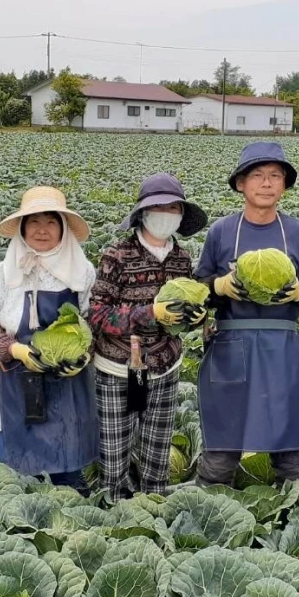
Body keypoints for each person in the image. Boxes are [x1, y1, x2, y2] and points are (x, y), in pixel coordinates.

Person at [195, 142, 299, 486]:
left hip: (283, 346)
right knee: (221, 449)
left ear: (284, 185)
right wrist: (218, 286)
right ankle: (207, 508)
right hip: (231, 344)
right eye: (257, 176)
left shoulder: (297, 232)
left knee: (293, 449)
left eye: (275, 176)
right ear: (241, 184)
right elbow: (198, 289)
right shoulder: (222, 230)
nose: (266, 183)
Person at [89, 174, 208, 501]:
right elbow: (97, 314)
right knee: (115, 459)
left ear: (181, 214)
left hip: (165, 368)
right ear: (142, 212)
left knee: (157, 459)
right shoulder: (117, 255)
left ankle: (153, 513)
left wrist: (196, 318)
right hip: (119, 370)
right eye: (158, 207)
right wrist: (150, 314)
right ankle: (115, 518)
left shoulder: (182, 258)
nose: (165, 213)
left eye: (173, 207)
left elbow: (187, 308)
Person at [0, 187, 98, 490]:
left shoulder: (83, 272)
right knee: (17, 473)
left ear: (63, 228)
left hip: (68, 385)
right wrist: (15, 350)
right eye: (34, 222)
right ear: (22, 228)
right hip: (15, 382)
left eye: (51, 222)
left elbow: (95, 324)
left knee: (69, 473)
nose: (42, 230)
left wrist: (83, 355)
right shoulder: (2, 273)